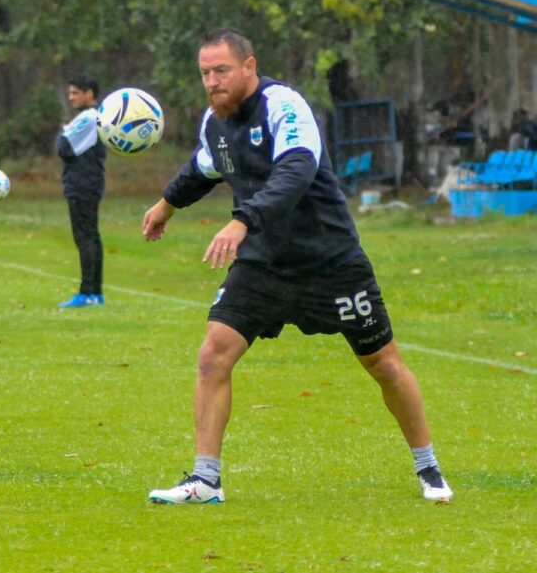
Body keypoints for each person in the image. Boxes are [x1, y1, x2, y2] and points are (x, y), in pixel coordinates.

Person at [142, 28, 452, 504]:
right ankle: (206, 481)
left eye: (221, 70)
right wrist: (166, 205)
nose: (212, 82)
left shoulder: (284, 106)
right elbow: (202, 170)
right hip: (264, 265)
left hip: (330, 261)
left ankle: (428, 468)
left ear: (249, 66)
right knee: (213, 353)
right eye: (205, 73)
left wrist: (242, 221)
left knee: (383, 363)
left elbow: (296, 171)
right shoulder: (215, 122)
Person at [56, 72, 106, 308]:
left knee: (85, 237)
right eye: (70, 93)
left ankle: (87, 293)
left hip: (82, 184)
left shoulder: (89, 117)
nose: (71, 97)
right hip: (90, 183)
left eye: (76, 92)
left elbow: (63, 146)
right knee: (92, 237)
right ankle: (96, 293)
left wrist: (63, 133)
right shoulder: (93, 117)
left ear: (90, 94)